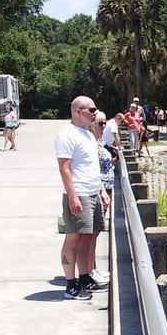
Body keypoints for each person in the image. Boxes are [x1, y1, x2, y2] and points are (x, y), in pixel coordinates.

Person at [56, 96, 110, 300]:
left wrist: (102, 190)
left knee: (89, 236)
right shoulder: (66, 135)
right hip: (78, 194)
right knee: (73, 237)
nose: (95, 113)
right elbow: (64, 168)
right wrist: (72, 196)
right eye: (91, 109)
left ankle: (86, 277)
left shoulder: (88, 134)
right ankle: (71, 284)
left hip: (92, 192)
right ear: (78, 111)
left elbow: (92, 167)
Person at [89, 112, 114, 286]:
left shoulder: (99, 142)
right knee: (92, 234)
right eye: (100, 123)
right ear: (91, 124)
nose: (104, 126)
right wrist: (102, 191)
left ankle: (94, 267)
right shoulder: (90, 143)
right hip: (100, 190)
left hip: (107, 189)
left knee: (96, 233)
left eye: (105, 123)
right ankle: (90, 270)